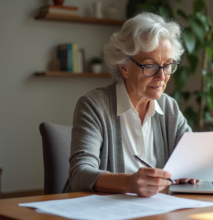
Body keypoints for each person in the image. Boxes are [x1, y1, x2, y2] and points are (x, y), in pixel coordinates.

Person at [63, 12, 199, 197]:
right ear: (124, 67)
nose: (162, 77)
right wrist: (128, 183)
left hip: (155, 211)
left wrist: (192, 171)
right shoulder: (94, 106)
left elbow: (193, 157)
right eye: (150, 65)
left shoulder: (169, 107)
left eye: (168, 65)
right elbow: (79, 174)